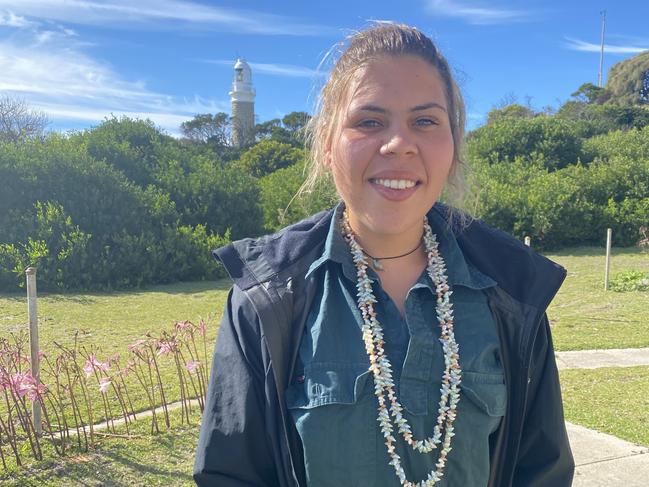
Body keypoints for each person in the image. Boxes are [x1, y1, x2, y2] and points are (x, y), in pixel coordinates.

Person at [193, 23, 574, 487]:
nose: (398, 144)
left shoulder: (513, 291)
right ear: (328, 146)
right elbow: (230, 475)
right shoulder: (267, 296)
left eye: (425, 121)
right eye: (369, 121)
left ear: (453, 147)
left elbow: (542, 472)